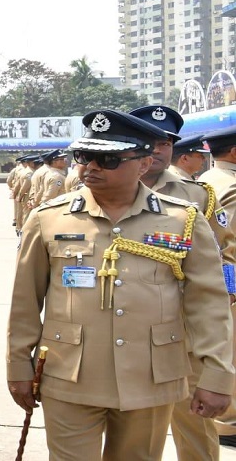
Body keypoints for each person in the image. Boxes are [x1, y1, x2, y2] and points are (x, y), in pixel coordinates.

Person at [7, 109, 235, 460]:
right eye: (85, 157)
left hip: (150, 376)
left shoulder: (183, 219)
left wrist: (217, 376)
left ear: (143, 164)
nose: (91, 167)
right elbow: (26, 301)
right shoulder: (48, 218)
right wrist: (18, 365)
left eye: (108, 159)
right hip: (69, 375)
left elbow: (209, 302)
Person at [129, 104, 236, 460]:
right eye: (149, 140)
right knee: (133, 433)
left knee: (194, 424)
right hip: (123, 331)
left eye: (166, 143)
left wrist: (227, 297)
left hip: (183, 333)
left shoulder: (197, 194)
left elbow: (224, 253)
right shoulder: (96, 189)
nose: (158, 149)